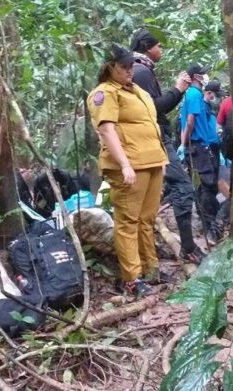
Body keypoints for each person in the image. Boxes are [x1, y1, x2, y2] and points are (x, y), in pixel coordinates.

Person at [87, 43, 168, 297]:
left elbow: (151, 125)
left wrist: (161, 162)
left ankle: (150, 268)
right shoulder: (104, 93)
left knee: (147, 219)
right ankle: (132, 277)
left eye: (131, 65)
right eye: (124, 66)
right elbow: (106, 130)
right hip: (130, 165)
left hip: (152, 161)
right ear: (109, 67)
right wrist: (124, 164)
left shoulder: (136, 92)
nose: (129, 70)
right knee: (128, 222)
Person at [129, 29, 205, 263]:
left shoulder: (138, 69)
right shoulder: (141, 71)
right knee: (183, 187)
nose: (160, 50)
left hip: (153, 139)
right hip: (156, 140)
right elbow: (155, 108)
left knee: (159, 193)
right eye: (158, 46)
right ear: (147, 47)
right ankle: (188, 247)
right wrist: (178, 89)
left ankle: (149, 252)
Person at [180, 64, 223, 244]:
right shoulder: (195, 94)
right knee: (207, 184)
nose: (205, 77)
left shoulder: (193, 95)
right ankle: (209, 224)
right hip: (197, 145)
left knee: (206, 184)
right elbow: (190, 120)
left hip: (201, 145)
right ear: (197, 77)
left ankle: (208, 221)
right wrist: (184, 143)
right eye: (203, 75)